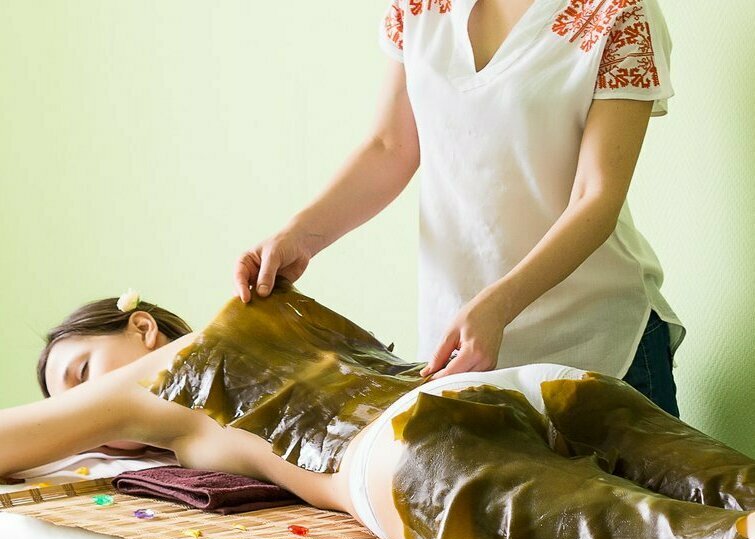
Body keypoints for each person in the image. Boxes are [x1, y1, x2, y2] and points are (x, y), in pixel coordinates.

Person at [0, 287, 752, 539]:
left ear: (141, 327)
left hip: (415, 449)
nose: (85, 413)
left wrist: (72, 422)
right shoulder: (271, 315)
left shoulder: (156, 380)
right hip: (541, 387)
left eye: (79, 373)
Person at [233, 0, 685, 418]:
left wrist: (499, 305)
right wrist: (299, 235)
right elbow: (390, 147)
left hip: (597, 347)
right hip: (462, 354)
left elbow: (595, 196)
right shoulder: (419, 8)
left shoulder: (619, 12)